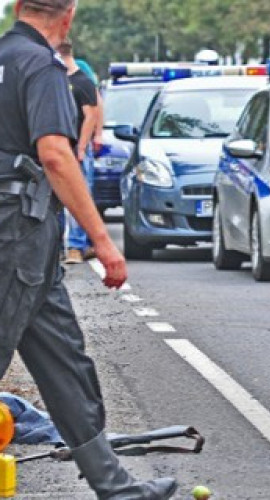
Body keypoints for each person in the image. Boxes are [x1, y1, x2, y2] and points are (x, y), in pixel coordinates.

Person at [0, 1, 177, 498]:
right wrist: (102, 240)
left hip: (29, 238)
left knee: (64, 361)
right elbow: (56, 154)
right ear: (69, 15)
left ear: (18, 8)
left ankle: (115, 486)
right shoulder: (42, 67)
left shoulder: (4, 57)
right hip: (16, 234)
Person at [58, 37, 97, 264]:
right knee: (56, 200)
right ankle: (57, 248)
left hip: (76, 150)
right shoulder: (55, 80)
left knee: (77, 200)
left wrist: (81, 148)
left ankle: (76, 246)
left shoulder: (82, 81)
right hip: (59, 148)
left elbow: (90, 116)